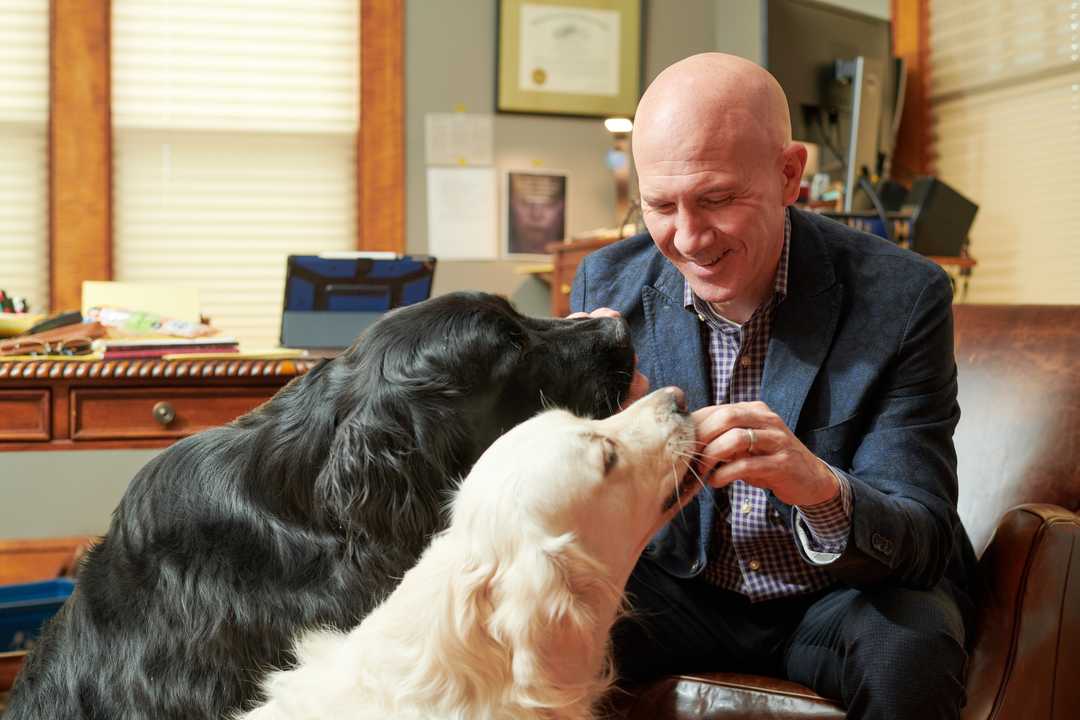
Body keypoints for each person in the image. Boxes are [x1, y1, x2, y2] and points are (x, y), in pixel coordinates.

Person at [570, 53, 976, 719]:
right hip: (684, 587)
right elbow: (578, 506)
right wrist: (596, 436)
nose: (689, 238)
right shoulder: (606, 285)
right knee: (540, 622)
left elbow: (923, 534)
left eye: (718, 199)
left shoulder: (903, 296)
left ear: (791, 174)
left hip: (839, 595)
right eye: (661, 205)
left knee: (910, 649)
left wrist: (818, 488)